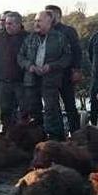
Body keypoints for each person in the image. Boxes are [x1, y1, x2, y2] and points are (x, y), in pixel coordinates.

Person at [17, 11, 71, 141]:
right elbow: (20, 56)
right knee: (33, 108)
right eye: (35, 21)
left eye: (39, 21)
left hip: (50, 79)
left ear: (49, 22)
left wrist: (51, 66)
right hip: (31, 79)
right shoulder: (30, 38)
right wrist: (29, 66)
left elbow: (67, 57)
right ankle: (37, 136)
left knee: (51, 108)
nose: (36, 23)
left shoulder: (60, 38)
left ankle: (55, 138)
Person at [46, 5, 83, 134]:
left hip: (66, 74)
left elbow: (77, 51)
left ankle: (76, 134)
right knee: (52, 107)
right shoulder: (44, 31)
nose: (48, 17)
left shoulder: (68, 31)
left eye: (51, 14)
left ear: (58, 15)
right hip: (49, 75)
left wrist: (76, 69)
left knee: (70, 105)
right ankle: (57, 133)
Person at [0, 12, 28, 132]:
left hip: (22, 81)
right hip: (4, 80)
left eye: (11, 24)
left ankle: (24, 135)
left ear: (19, 24)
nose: (7, 26)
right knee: (5, 110)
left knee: (24, 110)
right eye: (6, 23)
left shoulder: (28, 38)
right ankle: (6, 133)